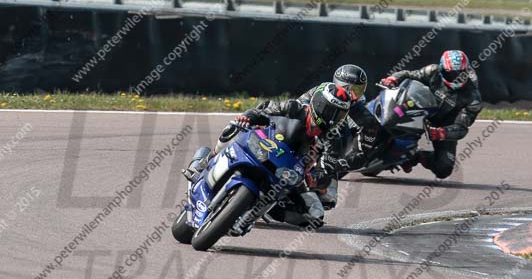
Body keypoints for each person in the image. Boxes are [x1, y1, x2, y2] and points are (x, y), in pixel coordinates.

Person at [184, 83, 352, 228]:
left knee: (315, 214)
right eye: (331, 111)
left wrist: (314, 179)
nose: (333, 118)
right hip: (263, 145)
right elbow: (265, 109)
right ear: (319, 104)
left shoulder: (332, 139)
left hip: (290, 172)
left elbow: (328, 171)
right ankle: (206, 161)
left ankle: (261, 212)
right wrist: (248, 117)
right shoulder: (295, 108)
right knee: (232, 129)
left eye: (339, 114)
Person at [380, 49, 483, 178]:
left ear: (466, 71)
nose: (455, 77)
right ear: (442, 70)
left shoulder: (473, 98)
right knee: (391, 113)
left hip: (442, 126)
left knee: (444, 169)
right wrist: (394, 78)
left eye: (459, 73)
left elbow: (462, 128)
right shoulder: (433, 71)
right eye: (450, 73)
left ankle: (415, 156)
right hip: (419, 111)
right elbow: (409, 74)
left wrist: (442, 132)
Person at [298, 64, 385, 204]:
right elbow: (298, 105)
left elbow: (362, 155)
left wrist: (336, 165)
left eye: (359, 90)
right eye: (351, 89)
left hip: (331, 155)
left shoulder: (366, 119)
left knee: (328, 199)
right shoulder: (321, 90)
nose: (354, 95)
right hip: (305, 136)